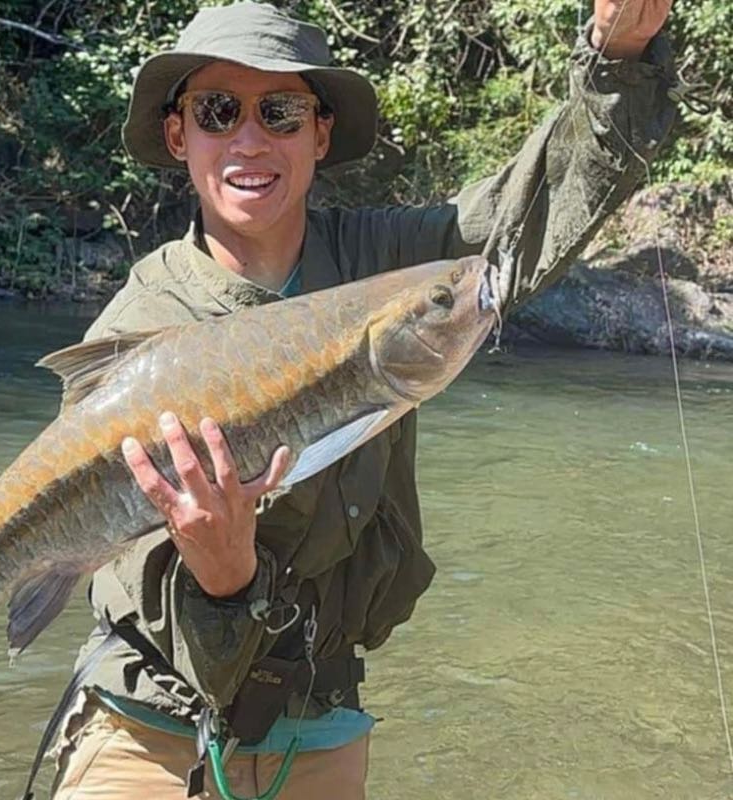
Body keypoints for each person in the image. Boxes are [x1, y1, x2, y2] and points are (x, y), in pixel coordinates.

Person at [48, 2, 678, 798]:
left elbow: (538, 207)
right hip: (148, 727)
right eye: (218, 111)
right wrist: (225, 577)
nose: (249, 138)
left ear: (320, 133)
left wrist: (618, 55)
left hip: (321, 719)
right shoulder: (140, 333)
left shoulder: (397, 263)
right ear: (180, 136)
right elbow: (155, 606)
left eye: (280, 111)